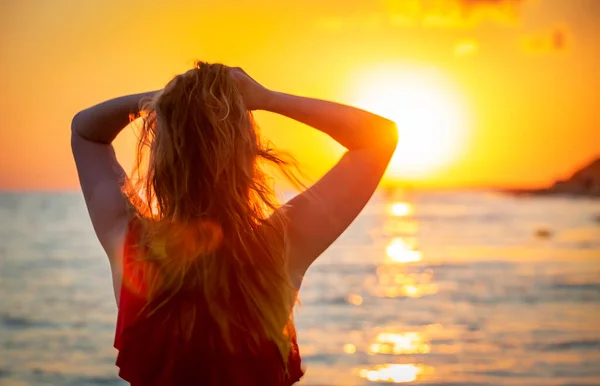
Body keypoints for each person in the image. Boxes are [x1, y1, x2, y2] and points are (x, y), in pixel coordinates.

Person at [71, 61, 397, 385]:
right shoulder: (281, 246)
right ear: (247, 153)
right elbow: (378, 138)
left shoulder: (130, 244)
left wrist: (173, 98)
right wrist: (267, 98)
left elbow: (86, 131)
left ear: (163, 157)